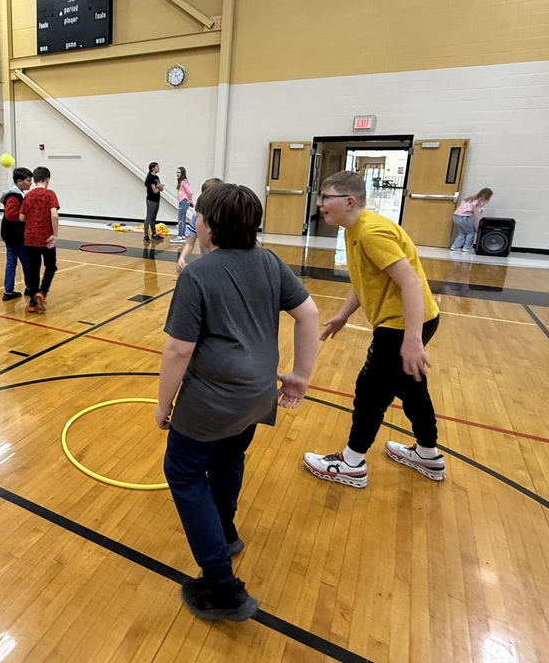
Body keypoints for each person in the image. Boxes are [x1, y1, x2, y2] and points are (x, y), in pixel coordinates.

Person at [157, 183, 320, 622]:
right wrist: (300, 378)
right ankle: (226, 533)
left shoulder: (197, 274)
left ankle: (223, 588)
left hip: (212, 400)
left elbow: (177, 350)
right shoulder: (268, 260)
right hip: (257, 395)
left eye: (199, 217)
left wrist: (162, 404)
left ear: (209, 224)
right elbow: (309, 314)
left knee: (184, 475)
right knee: (229, 459)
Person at [303, 170, 445, 489]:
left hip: (402, 324)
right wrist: (342, 315)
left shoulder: (371, 232)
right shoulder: (353, 230)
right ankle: (427, 453)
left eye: (326, 197)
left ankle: (351, 463)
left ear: (349, 201)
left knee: (370, 391)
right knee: (410, 388)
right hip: (410, 320)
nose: (320, 203)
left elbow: (410, 281)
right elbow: (366, 279)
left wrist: (411, 340)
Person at [19, 166, 60, 313]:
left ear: (34, 179)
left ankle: (32, 302)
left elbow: (21, 217)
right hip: (46, 237)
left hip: (30, 238)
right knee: (50, 266)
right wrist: (55, 234)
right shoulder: (50, 194)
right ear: (47, 180)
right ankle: (42, 292)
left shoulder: (28, 196)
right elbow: (54, 215)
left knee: (33, 269)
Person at [176, 177, 223, 275]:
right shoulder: (197, 216)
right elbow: (190, 243)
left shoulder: (226, 217)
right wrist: (182, 258)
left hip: (223, 266)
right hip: (206, 264)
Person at [0, 167, 33, 301]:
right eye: (28, 180)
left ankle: (9, 291)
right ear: (19, 181)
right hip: (15, 235)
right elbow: (10, 214)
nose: (30, 183)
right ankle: (30, 287)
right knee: (27, 262)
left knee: (11, 262)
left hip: (9, 234)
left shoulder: (17, 194)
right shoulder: (14, 196)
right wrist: (27, 216)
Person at [450, 187, 493, 252]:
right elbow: (476, 216)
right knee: (471, 232)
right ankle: (467, 247)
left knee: (462, 232)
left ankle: (455, 246)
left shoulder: (468, 199)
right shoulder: (477, 202)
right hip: (464, 217)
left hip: (456, 216)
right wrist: (477, 228)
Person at [171, 167, 192, 244]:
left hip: (183, 201)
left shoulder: (183, 181)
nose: (177, 174)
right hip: (182, 201)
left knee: (180, 219)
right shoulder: (181, 181)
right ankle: (182, 235)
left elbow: (189, 192)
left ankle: (180, 236)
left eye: (179, 172)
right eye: (176, 172)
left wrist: (190, 200)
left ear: (182, 173)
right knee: (182, 219)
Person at [143, 162, 164, 242]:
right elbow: (155, 190)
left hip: (157, 199)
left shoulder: (157, 177)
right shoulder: (150, 178)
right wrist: (159, 187)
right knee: (149, 217)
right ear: (153, 168)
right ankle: (145, 235)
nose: (158, 168)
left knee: (154, 218)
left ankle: (154, 234)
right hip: (151, 199)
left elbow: (161, 189)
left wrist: (159, 187)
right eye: (157, 167)